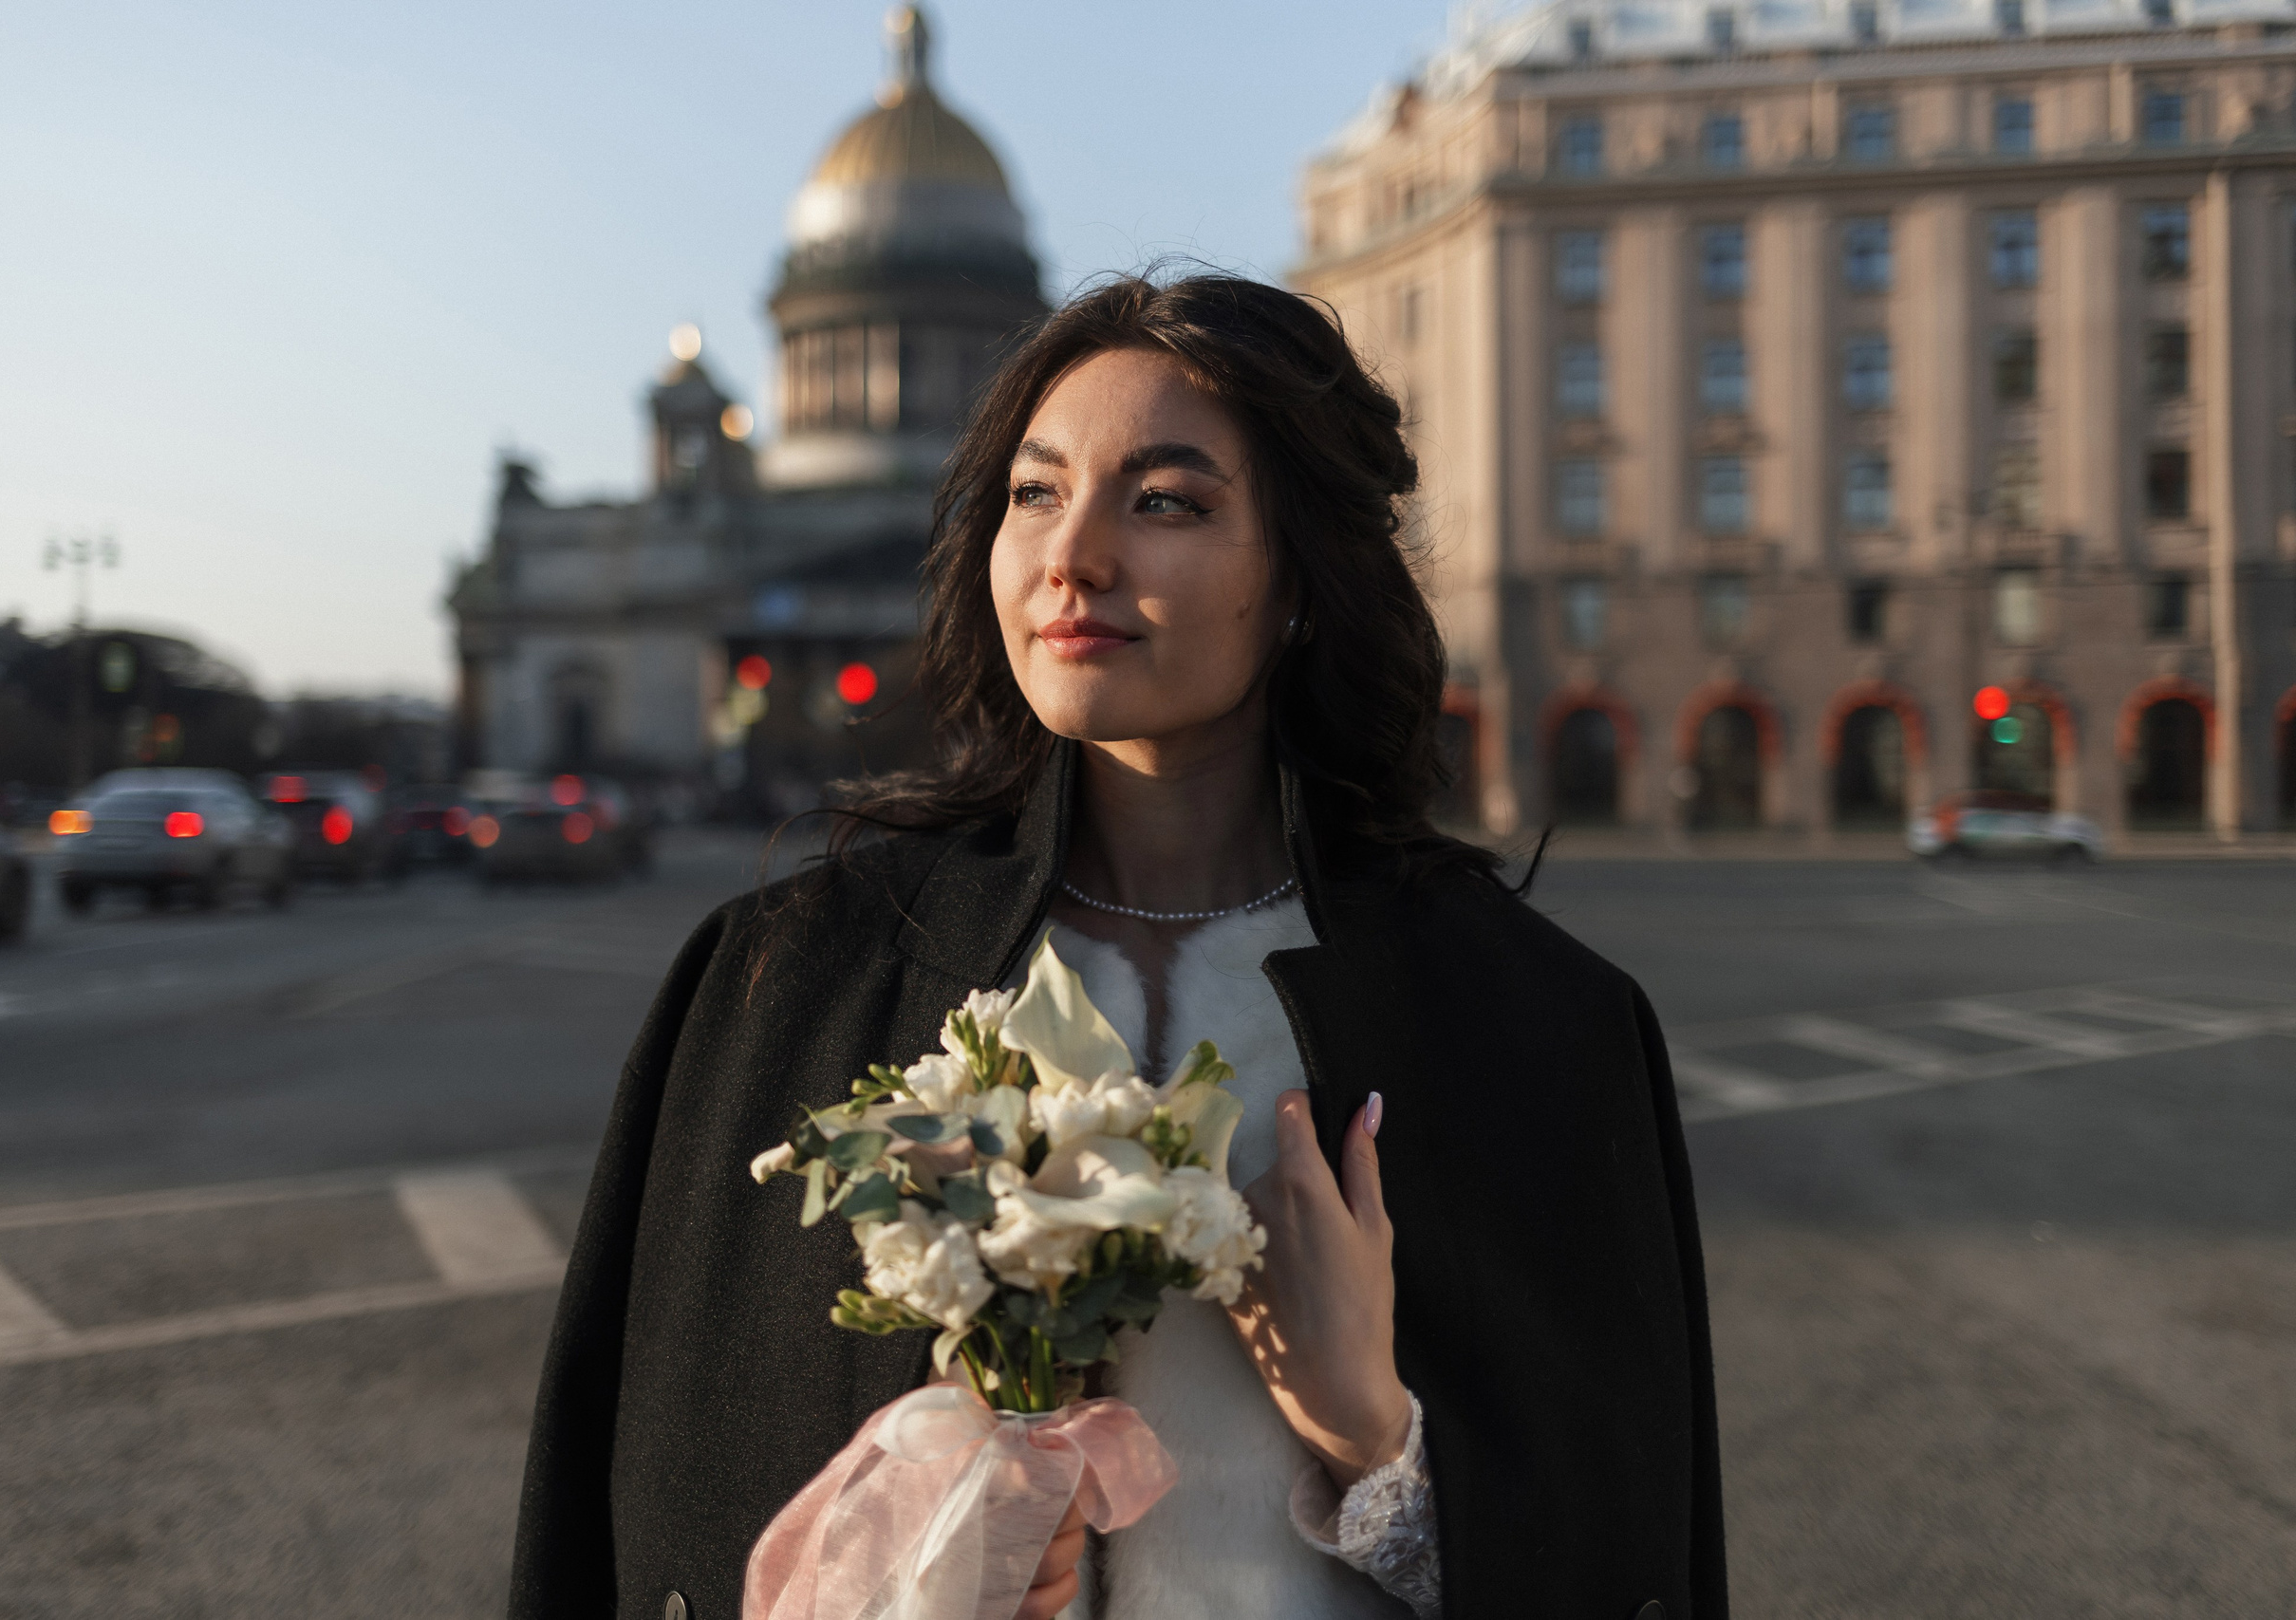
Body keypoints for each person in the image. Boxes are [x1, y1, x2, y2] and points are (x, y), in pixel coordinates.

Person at [509, 273, 1727, 1620]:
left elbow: (1626, 1557)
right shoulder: (778, 988)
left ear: (1305, 580)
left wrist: (1375, 1446)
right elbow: (636, 1514)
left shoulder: (1530, 1022)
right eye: (1035, 493)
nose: (1072, 555)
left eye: (1168, 501)